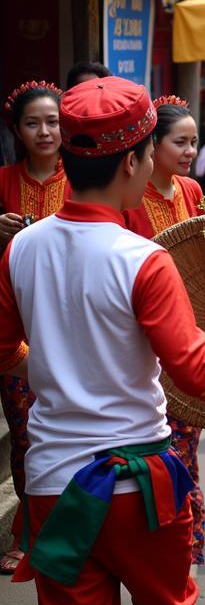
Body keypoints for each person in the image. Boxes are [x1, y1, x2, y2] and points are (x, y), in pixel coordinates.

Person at [0, 76, 205, 605]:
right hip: (136, 489)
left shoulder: (21, 248)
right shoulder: (141, 257)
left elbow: (3, 349)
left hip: (52, 484)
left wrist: (50, 370)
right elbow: (200, 378)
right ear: (136, 160)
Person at [122, 97, 205, 571]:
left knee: (184, 448)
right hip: (143, 338)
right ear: (151, 147)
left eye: (194, 141)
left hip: (190, 333)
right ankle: (169, 552)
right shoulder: (128, 202)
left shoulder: (192, 191)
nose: (190, 150)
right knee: (161, 448)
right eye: (180, 141)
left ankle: (188, 549)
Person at [0, 81, 68, 575]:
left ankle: (76, 526)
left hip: (72, 325)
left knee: (75, 431)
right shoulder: (3, 180)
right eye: (33, 123)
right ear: (17, 131)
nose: (44, 131)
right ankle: (27, 528)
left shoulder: (84, 177)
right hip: (18, 327)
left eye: (53, 121)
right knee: (26, 436)